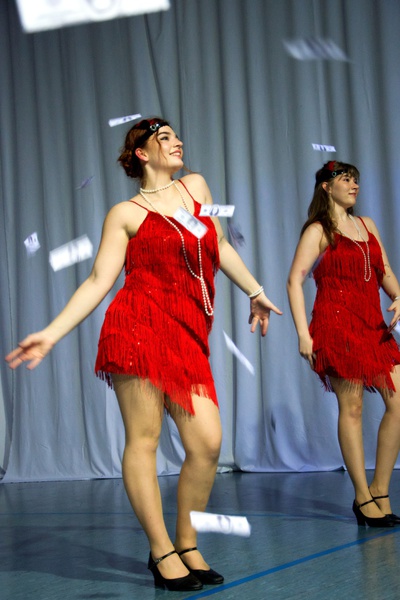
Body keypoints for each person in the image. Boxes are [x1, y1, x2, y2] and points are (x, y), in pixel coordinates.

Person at [6, 117, 282, 591]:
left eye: (177, 136)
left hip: (189, 334)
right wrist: (51, 333)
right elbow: (99, 280)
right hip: (137, 327)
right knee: (144, 440)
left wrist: (255, 291)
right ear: (142, 152)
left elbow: (217, 244)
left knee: (207, 443)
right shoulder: (125, 213)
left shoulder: (196, 187)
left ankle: (187, 543)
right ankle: (162, 551)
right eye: (165, 138)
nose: (178, 142)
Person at [287, 160, 400, 528]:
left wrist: (398, 295)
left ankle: (380, 488)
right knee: (351, 408)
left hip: (373, 326)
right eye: (346, 179)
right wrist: (303, 333)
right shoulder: (319, 230)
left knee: (399, 403)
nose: (354, 185)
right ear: (326, 186)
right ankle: (362, 496)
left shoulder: (367, 225)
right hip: (336, 327)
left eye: (356, 180)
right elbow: (295, 280)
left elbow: (384, 272)